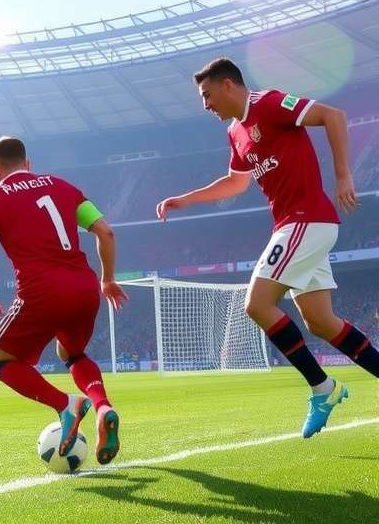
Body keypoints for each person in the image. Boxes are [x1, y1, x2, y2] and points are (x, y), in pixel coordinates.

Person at [156, 57, 379, 437]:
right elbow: (236, 182)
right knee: (321, 322)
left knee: (257, 304)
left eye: (207, 95)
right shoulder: (235, 132)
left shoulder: (270, 103)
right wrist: (185, 199)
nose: (205, 105)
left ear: (228, 85)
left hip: (306, 220)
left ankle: (323, 388)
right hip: (296, 226)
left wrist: (344, 176)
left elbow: (334, 116)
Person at [0, 136, 128, 464]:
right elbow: (106, 232)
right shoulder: (64, 187)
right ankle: (102, 406)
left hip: (41, 292)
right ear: (28, 163)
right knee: (72, 353)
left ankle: (66, 404)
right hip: (84, 287)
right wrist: (108, 278)